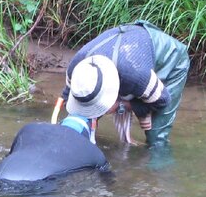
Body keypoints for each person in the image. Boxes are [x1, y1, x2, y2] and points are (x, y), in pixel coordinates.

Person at [61, 21, 191, 146]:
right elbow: (68, 97)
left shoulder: (134, 75)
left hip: (170, 57)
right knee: (84, 115)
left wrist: (120, 105)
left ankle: (159, 158)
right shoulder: (76, 67)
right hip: (129, 47)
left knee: (156, 138)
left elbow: (163, 101)